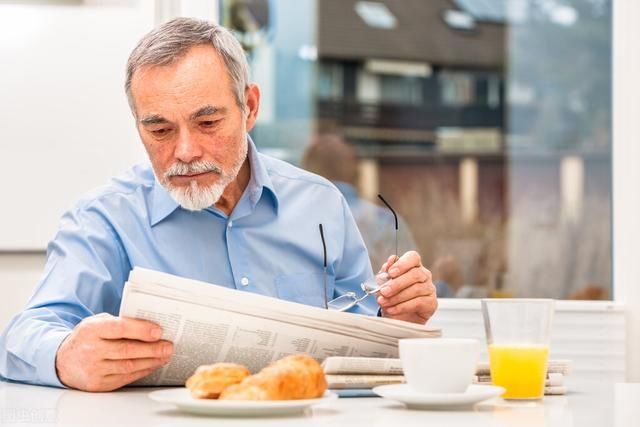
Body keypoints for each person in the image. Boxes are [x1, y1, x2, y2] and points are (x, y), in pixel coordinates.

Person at [0, 18, 437, 392]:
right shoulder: (104, 220)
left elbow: (359, 338)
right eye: (160, 131)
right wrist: (63, 357)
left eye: (207, 122)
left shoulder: (321, 204)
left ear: (248, 107)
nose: (186, 150)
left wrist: (397, 319)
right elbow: (22, 336)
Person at [302, 134, 418, 270]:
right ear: (357, 173)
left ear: (306, 172)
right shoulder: (387, 223)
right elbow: (408, 283)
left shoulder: (295, 220)